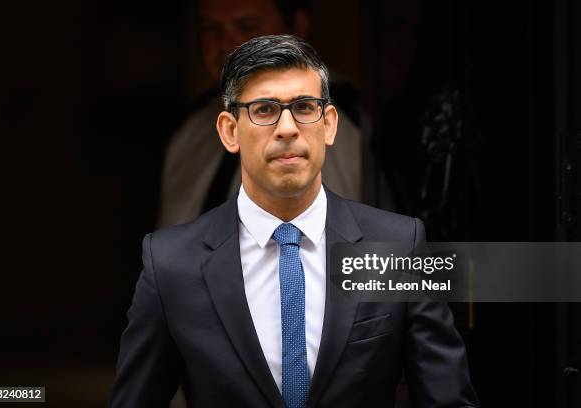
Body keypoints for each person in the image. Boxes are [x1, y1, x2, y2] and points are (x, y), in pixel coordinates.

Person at [110, 35, 479, 407]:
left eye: (304, 107)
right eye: (265, 109)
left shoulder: (397, 247)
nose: (287, 128)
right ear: (229, 130)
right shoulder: (172, 263)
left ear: (329, 124)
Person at [157, 0, 379, 228]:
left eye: (247, 26)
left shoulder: (352, 124)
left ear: (297, 27)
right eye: (210, 29)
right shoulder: (190, 129)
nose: (225, 45)